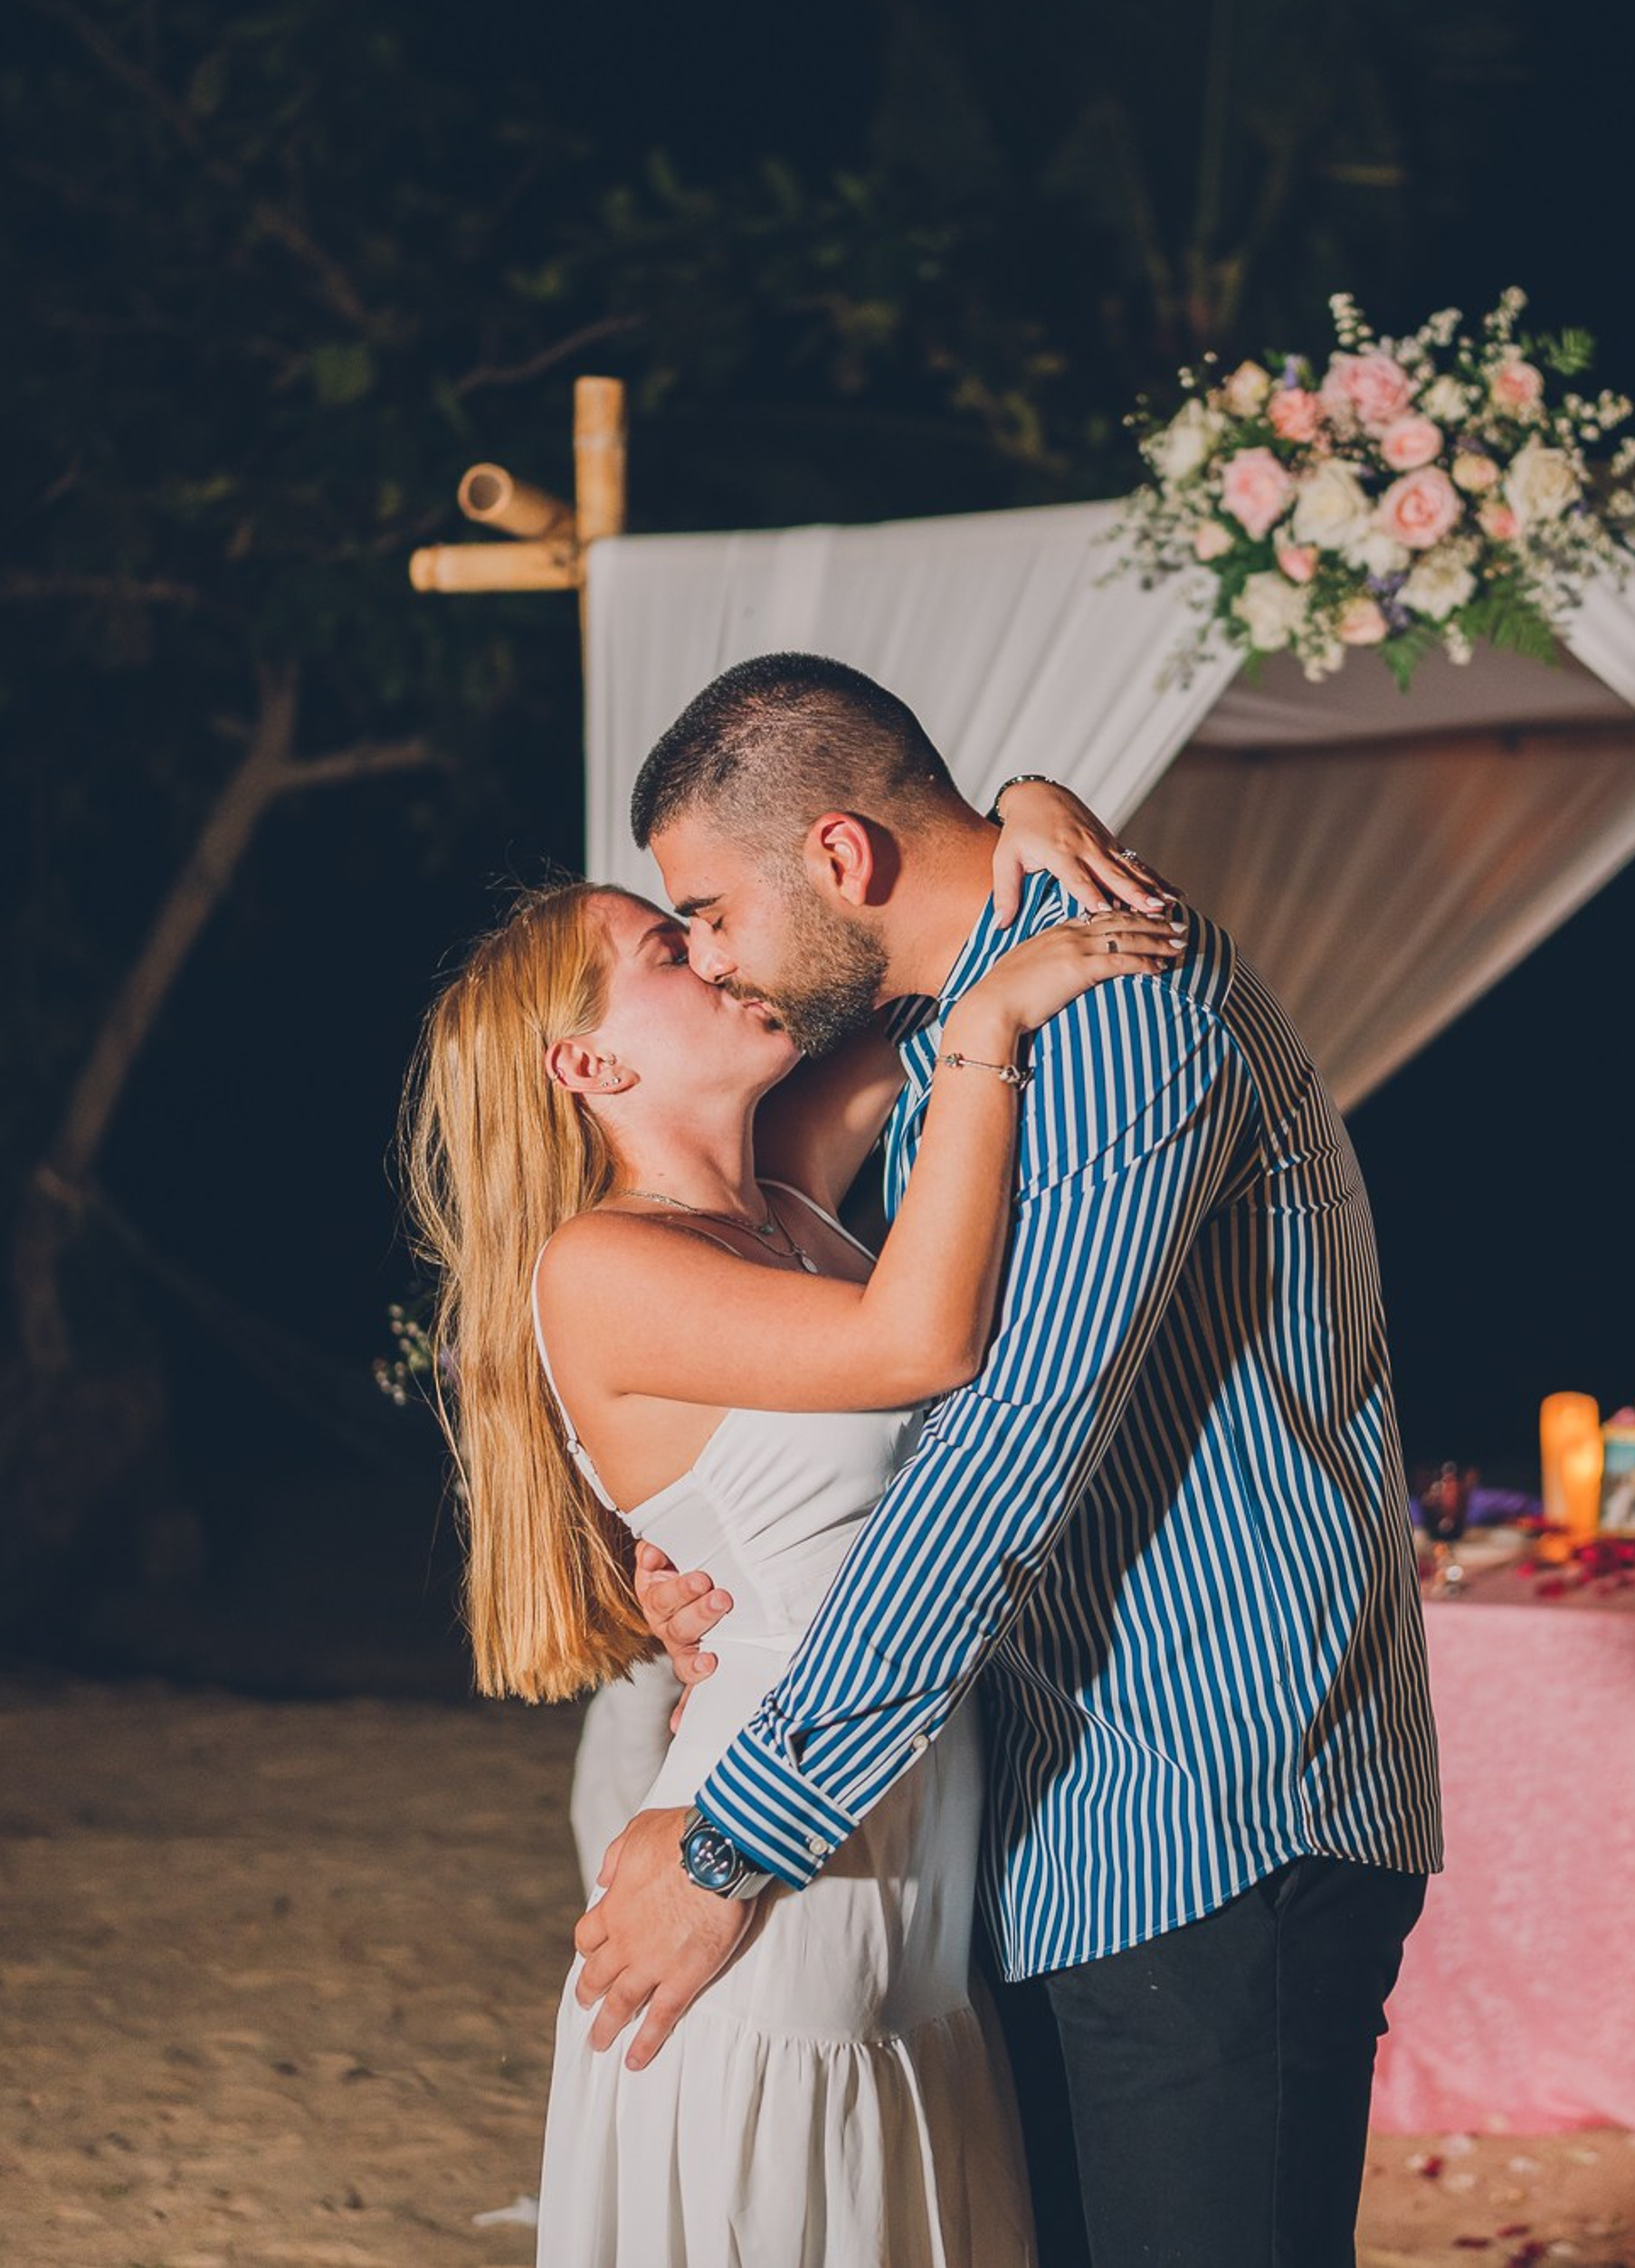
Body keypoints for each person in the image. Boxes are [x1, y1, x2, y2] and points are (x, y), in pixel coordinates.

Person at [580, 652, 1444, 2268]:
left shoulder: (1116, 1016)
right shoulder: (954, 1035)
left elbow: (1004, 1454)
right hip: (1049, 1816)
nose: (707, 953)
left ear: (839, 859)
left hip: (1208, 1806)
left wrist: (735, 1839)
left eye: (707, 909)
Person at [400, 789, 1186, 2267]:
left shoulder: (781, 1195)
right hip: (775, 1869)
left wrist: (1019, 803)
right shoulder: (598, 1264)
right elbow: (920, 1341)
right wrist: (989, 1041)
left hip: (910, 1853)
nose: (713, 953)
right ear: (588, 1061)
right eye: (664, 949)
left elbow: (936, 924)